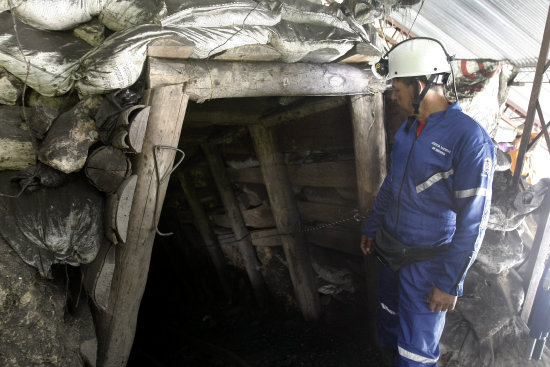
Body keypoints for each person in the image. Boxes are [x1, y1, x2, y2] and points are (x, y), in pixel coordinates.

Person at [361, 38, 496, 366]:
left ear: (419, 85)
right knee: (389, 322)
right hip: (391, 251)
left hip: (427, 265)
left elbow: (473, 222)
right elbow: (393, 183)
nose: (394, 96)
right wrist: (373, 225)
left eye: (398, 88)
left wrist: (449, 283)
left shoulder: (469, 139)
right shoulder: (409, 129)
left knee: (415, 353)